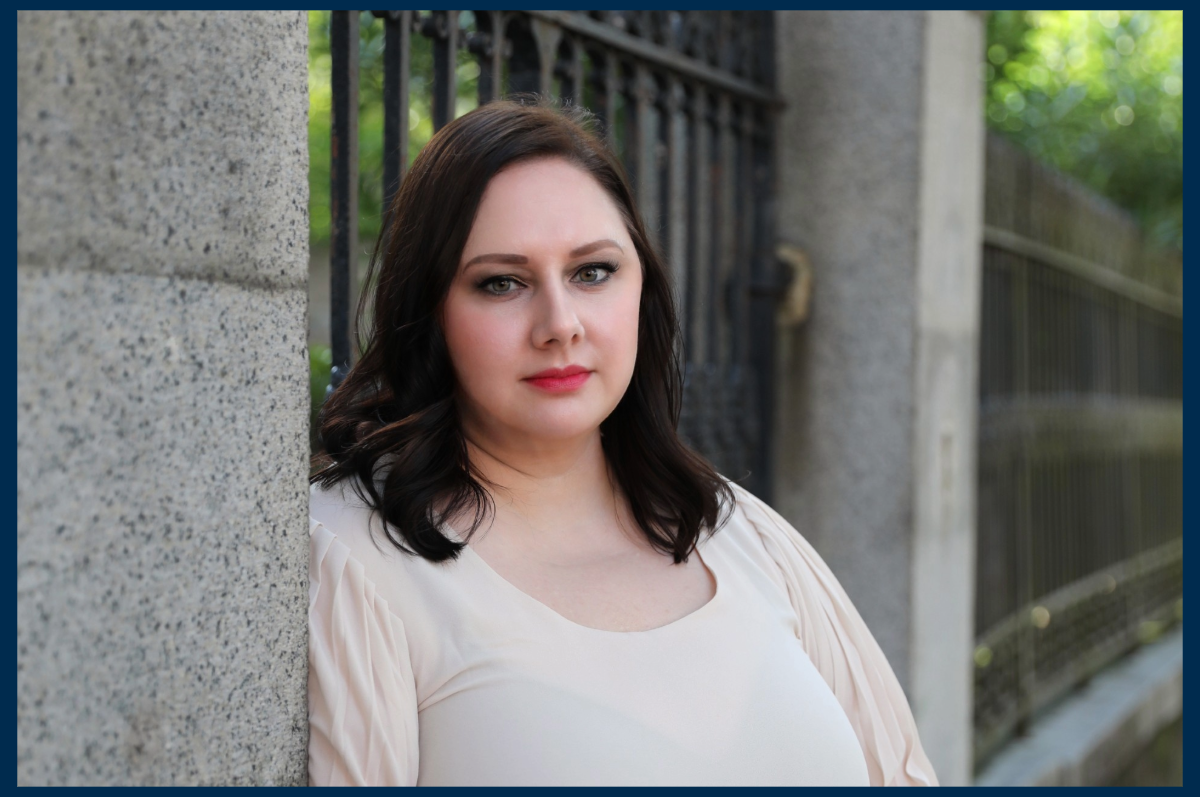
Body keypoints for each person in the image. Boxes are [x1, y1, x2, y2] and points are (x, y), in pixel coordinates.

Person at [307, 97, 938, 787]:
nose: (560, 323)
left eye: (593, 272)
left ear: (642, 287)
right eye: (501, 283)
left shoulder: (744, 534)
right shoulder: (355, 562)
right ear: (429, 314)